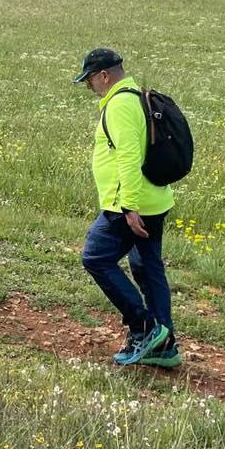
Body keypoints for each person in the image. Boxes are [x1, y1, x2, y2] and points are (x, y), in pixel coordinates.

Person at [76, 47, 179, 368]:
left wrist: (129, 207)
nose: (89, 86)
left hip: (129, 204)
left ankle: (144, 328)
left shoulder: (120, 105)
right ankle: (165, 346)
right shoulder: (138, 96)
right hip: (155, 199)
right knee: (148, 268)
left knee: (95, 257)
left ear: (104, 75)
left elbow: (129, 157)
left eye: (89, 80)